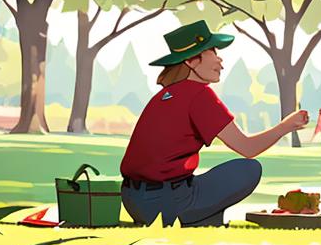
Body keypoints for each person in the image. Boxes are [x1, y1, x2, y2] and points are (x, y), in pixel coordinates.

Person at [120, 20, 309, 227]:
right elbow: (247, 148)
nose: (220, 61)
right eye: (213, 52)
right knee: (249, 169)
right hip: (165, 203)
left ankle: (204, 220)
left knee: (200, 181)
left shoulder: (165, 95)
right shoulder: (199, 95)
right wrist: (286, 126)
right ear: (192, 60)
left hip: (132, 199)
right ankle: (192, 219)